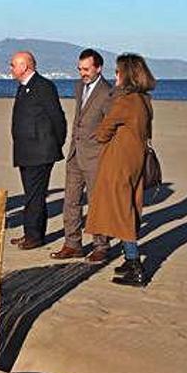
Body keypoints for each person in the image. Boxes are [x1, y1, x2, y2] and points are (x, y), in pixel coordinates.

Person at [85, 53, 156, 286]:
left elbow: (104, 130)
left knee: (122, 212)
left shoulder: (126, 101)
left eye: (117, 72)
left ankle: (135, 264)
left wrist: (103, 134)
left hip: (120, 162)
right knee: (129, 209)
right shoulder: (144, 100)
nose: (115, 76)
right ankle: (130, 259)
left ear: (126, 74)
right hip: (135, 161)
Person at [50, 48, 114, 262]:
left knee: (97, 203)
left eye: (86, 69)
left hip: (96, 157)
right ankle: (72, 243)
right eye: (80, 69)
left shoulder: (107, 92)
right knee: (71, 200)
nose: (82, 73)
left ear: (99, 68)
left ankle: (101, 246)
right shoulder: (79, 87)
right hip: (75, 154)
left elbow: (111, 126)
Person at [9, 51, 67, 250]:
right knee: (31, 195)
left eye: (13, 65)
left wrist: (55, 144)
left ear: (25, 66)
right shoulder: (23, 88)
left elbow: (57, 118)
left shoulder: (43, 86)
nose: (11, 69)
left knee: (35, 196)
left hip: (40, 151)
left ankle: (34, 236)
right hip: (26, 151)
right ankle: (30, 233)